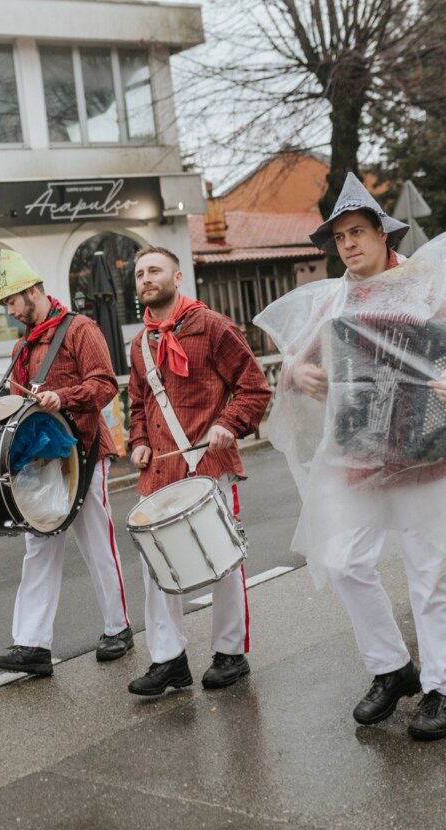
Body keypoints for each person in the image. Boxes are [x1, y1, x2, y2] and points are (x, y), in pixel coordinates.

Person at [255, 174, 446, 742]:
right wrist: (298, 373)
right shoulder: (331, 302)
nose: (348, 244)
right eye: (340, 237)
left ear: (381, 233)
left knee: (428, 574)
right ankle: (392, 669)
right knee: (343, 559)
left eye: (357, 232)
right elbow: (299, 370)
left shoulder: (430, 288)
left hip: (427, 456)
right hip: (360, 455)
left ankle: (443, 690)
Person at [122, 248, 271, 697]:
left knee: (222, 561)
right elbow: (138, 403)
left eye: (155, 270)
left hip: (208, 466)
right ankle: (168, 661)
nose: (146, 278)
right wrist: (140, 442)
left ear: (178, 277)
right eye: (140, 273)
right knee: (158, 567)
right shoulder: (139, 342)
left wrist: (229, 424)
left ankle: (230, 653)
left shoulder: (215, 327)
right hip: (159, 472)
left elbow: (254, 388)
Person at [0, 250, 133, 677]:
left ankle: (117, 627)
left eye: (12, 302)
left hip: (84, 452)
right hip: (42, 460)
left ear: (32, 291)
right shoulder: (21, 346)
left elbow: (105, 384)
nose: (11, 312)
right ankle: (32, 644)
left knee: (96, 543)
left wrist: (63, 397)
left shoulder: (81, 330)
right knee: (38, 548)